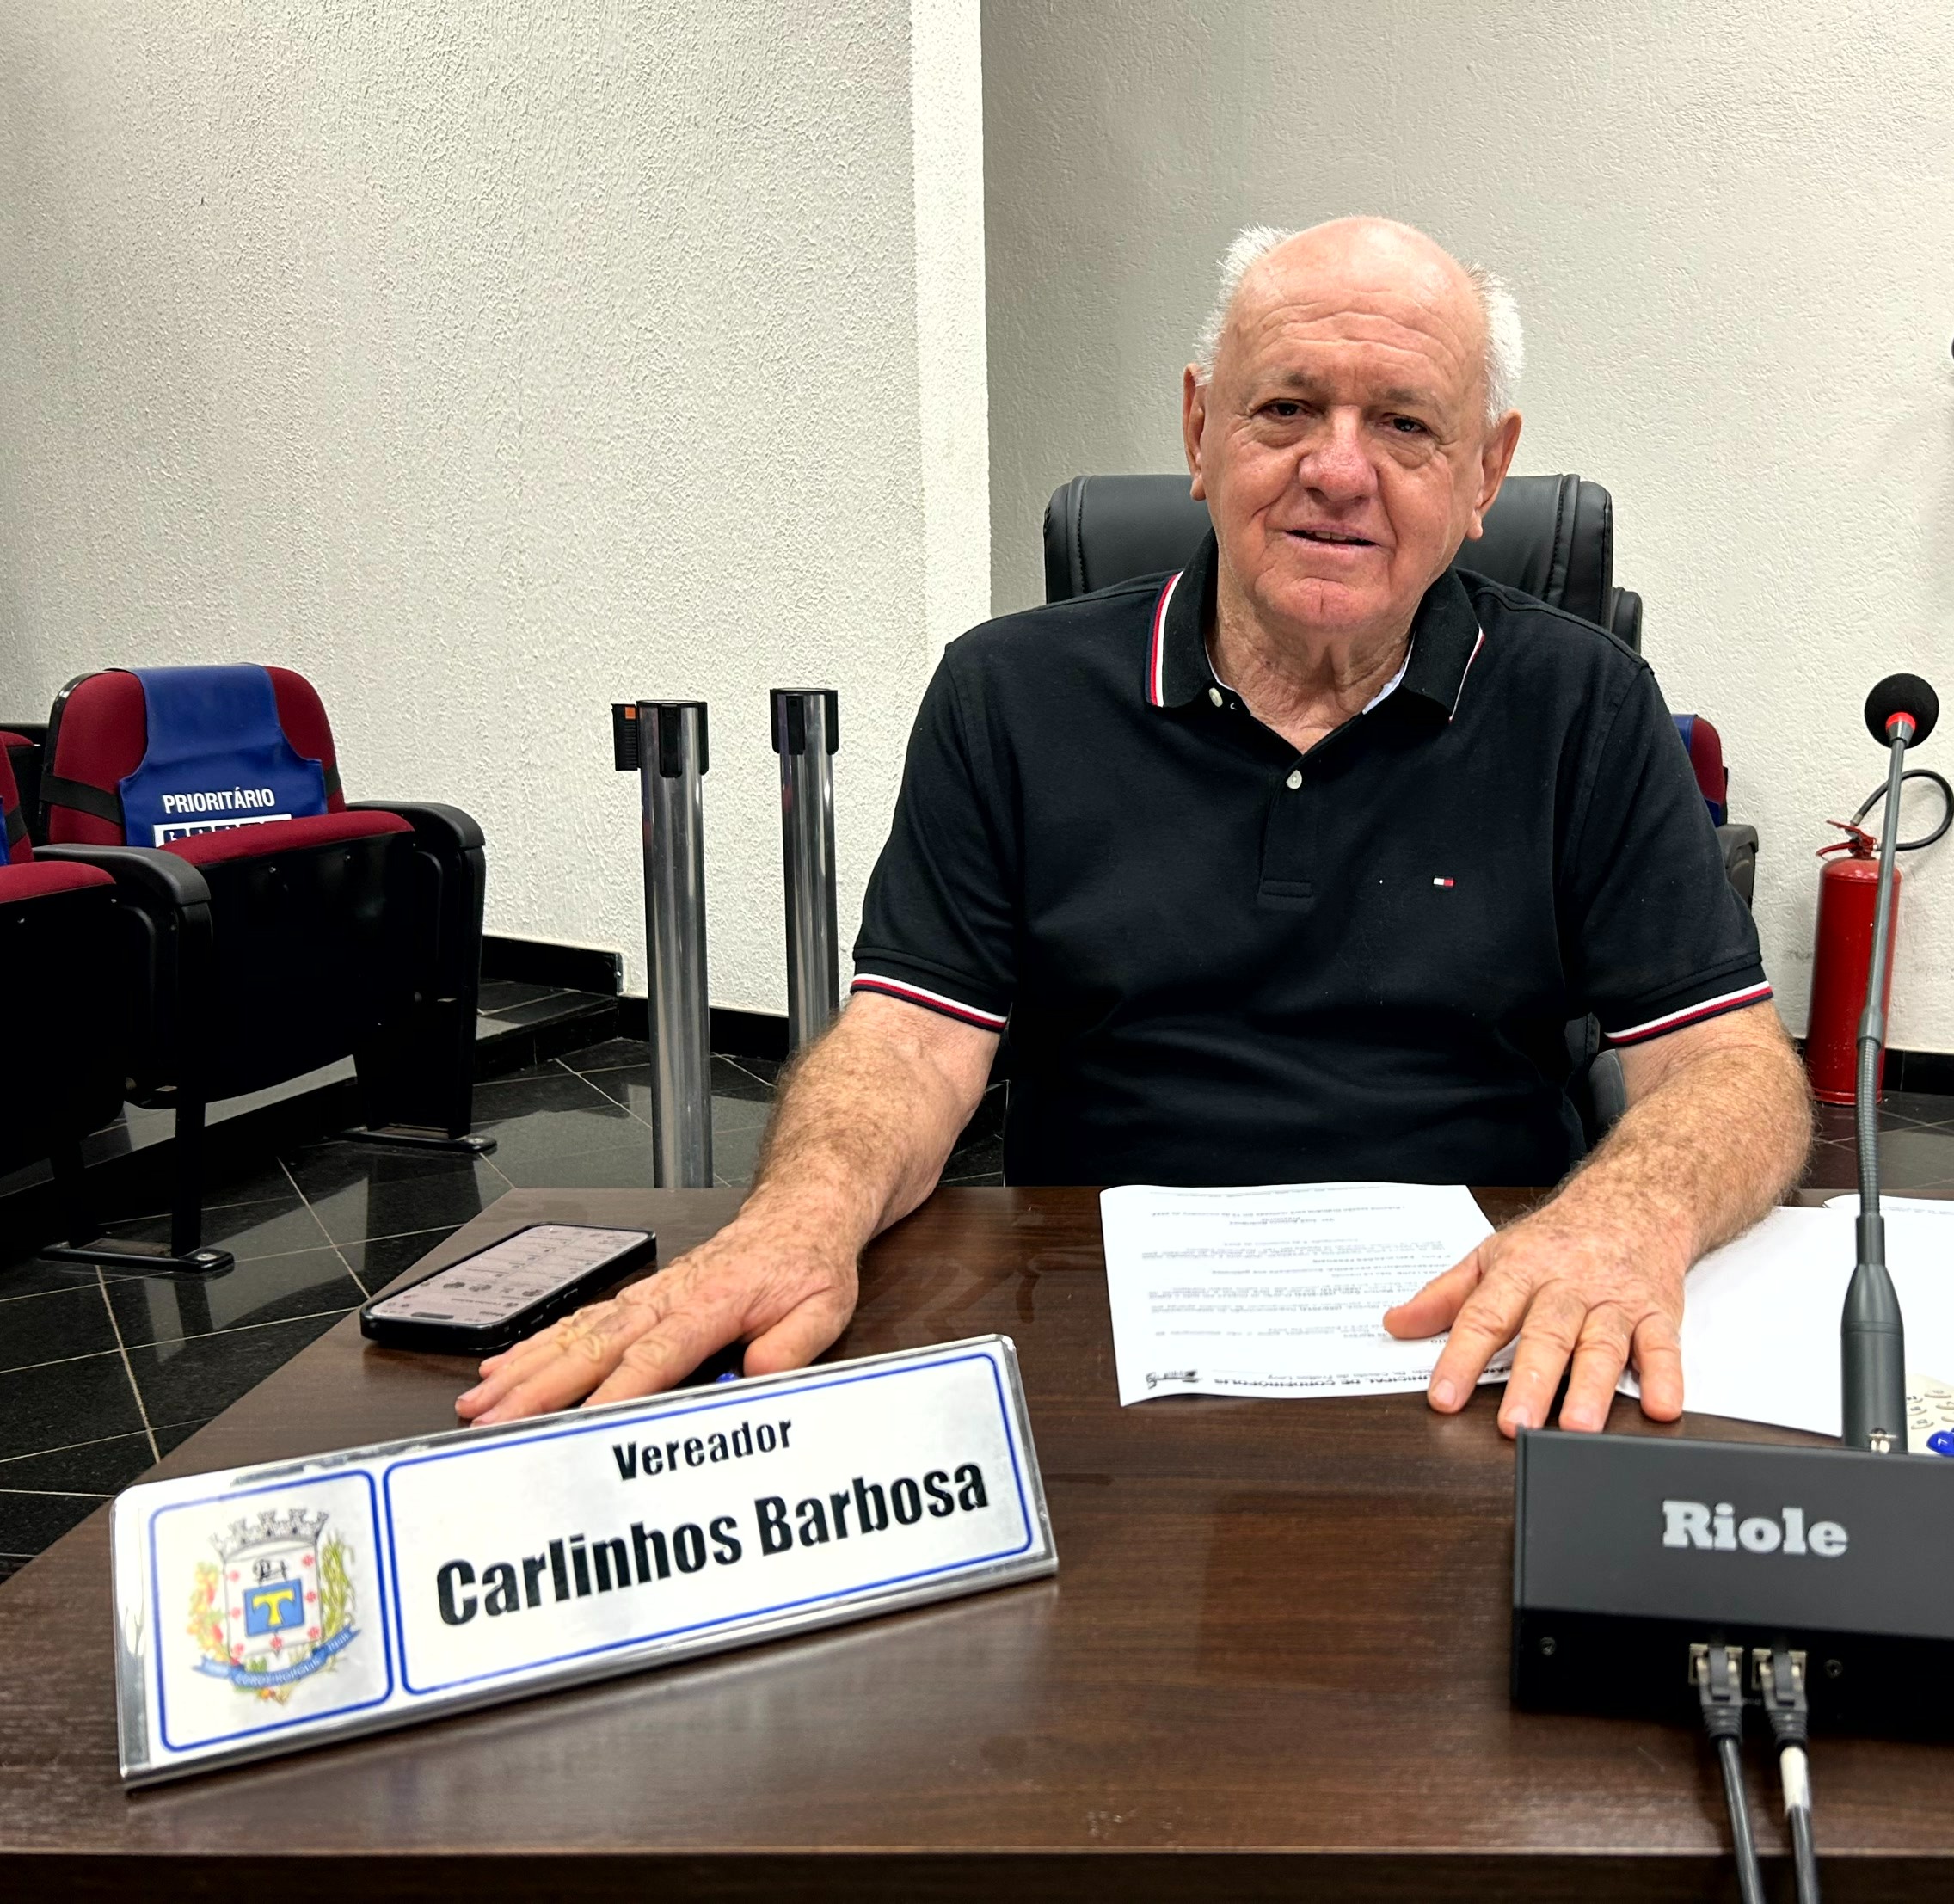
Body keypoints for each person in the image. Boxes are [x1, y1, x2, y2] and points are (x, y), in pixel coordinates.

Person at [459, 217, 1811, 1439]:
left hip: (1481, 1334)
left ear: (1485, 473)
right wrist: (798, 1218)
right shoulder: (1010, 693)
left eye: (1405, 424)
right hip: (1088, 1336)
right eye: (1286, 407)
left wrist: (1624, 1217)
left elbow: (1732, 1067)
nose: (1338, 469)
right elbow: (912, 1041)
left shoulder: (1586, 704)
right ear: (1201, 429)